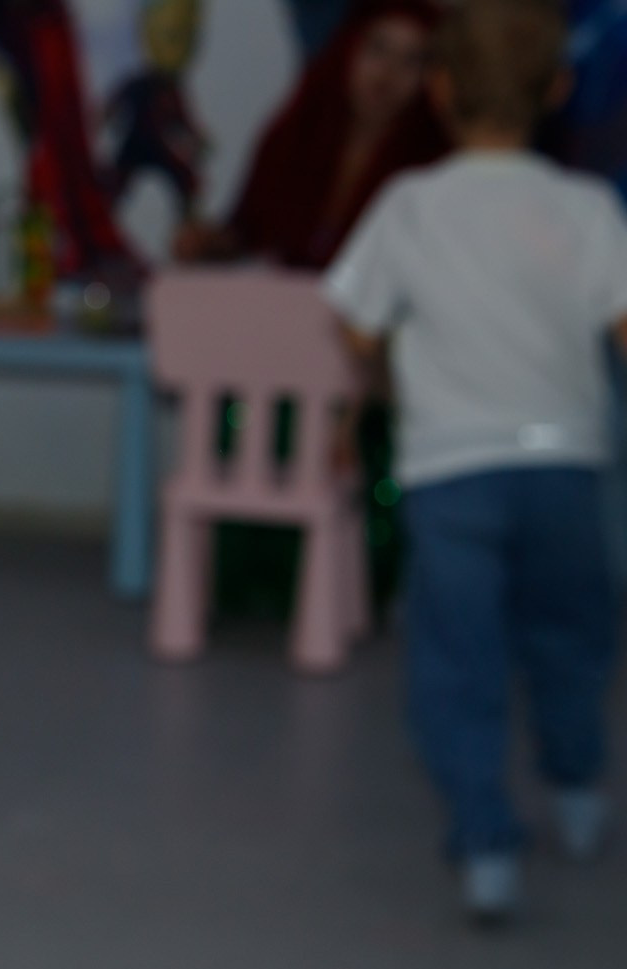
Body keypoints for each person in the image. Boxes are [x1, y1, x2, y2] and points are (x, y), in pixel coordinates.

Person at [324, 0, 625, 918]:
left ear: (439, 88)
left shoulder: (409, 205)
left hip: (450, 471)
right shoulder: (586, 206)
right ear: (560, 89)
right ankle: (575, 788)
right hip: (566, 465)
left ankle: (487, 840)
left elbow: (356, 321)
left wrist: (378, 383)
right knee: (572, 638)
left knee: (459, 657)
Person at [175, 0, 448, 270]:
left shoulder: (435, 166)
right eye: (378, 49)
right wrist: (208, 243)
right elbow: (249, 234)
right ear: (348, 48)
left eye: (411, 60)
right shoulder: (295, 133)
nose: (388, 73)